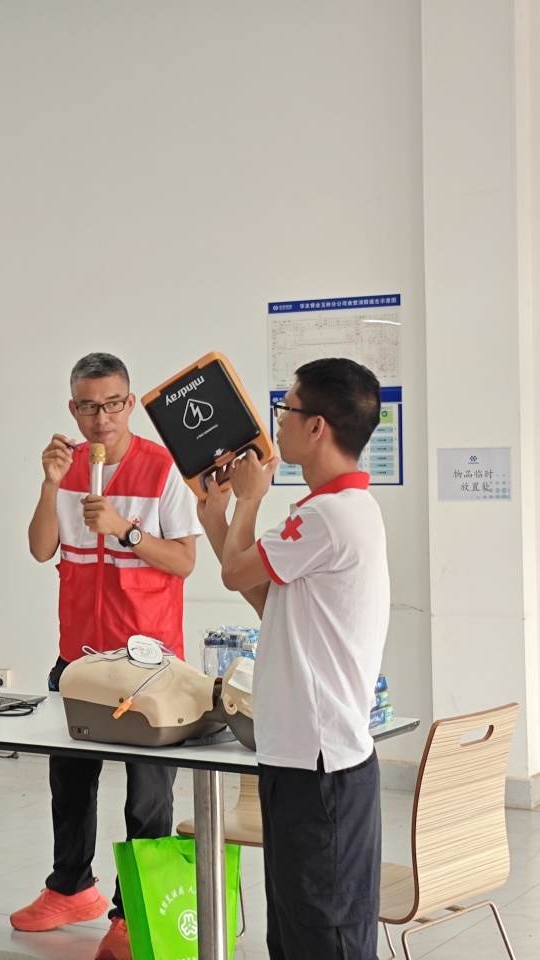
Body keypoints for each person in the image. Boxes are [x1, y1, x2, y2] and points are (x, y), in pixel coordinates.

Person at [195, 358, 389, 960]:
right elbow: (267, 602)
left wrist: (250, 500)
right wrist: (218, 519)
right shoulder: (338, 509)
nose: (275, 424)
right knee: (297, 931)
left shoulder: (326, 517)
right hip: (302, 757)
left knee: (323, 935)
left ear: (317, 427)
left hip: (320, 767)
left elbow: (235, 573)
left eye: (286, 410)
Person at [15, 352, 201, 960]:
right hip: (79, 661)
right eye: (90, 406)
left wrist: (126, 529)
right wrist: (50, 483)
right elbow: (41, 549)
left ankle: (134, 913)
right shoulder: (67, 467)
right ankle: (70, 888)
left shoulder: (162, 468)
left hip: (149, 669)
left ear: (130, 402)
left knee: (147, 798)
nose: (103, 418)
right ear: (73, 409)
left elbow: (184, 561)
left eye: (114, 404)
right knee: (69, 784)